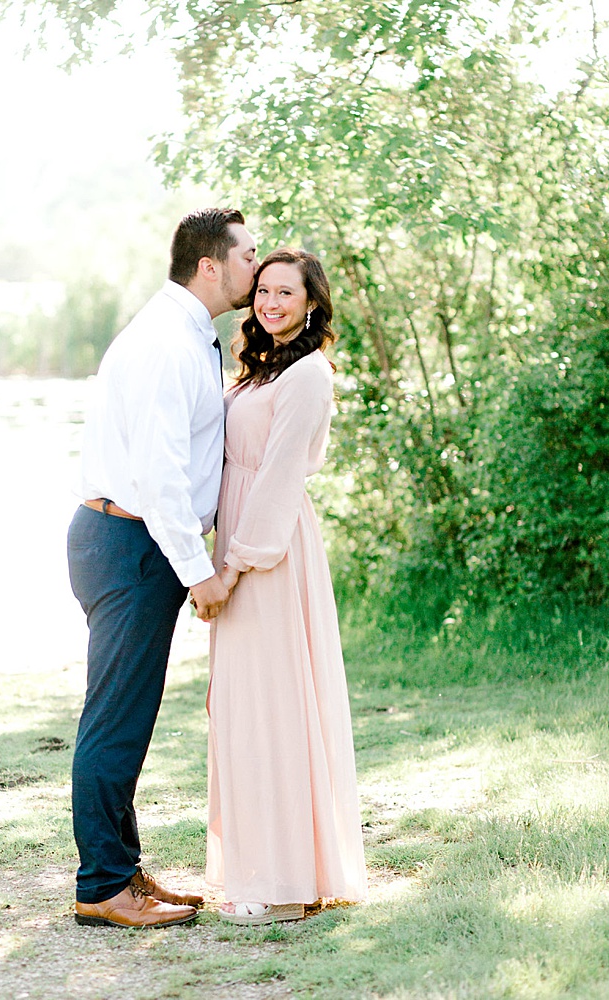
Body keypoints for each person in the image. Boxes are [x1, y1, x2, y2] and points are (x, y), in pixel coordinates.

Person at [67, 208, 258, 928]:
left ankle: (123, 871)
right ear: (210, 265)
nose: (254, 267)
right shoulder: (167, 344)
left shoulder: (183, 333)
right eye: (247, 255)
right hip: (128, 541)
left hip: (131, 539)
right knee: (115, 720)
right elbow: (159, 471)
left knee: (128, 715)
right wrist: (197, 570)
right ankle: (101, 886)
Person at [203, 247, 368, 925]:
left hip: (266, 554)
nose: (270, 304)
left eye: (286, 294)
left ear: (311, 303)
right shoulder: (260, 368)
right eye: (263, 292)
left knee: (273, 712)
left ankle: (284, 885)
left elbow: (276, 482)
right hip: (240, 540)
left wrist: (231, 566)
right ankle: (267, 868)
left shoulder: (307, 374)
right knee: (245, 710)